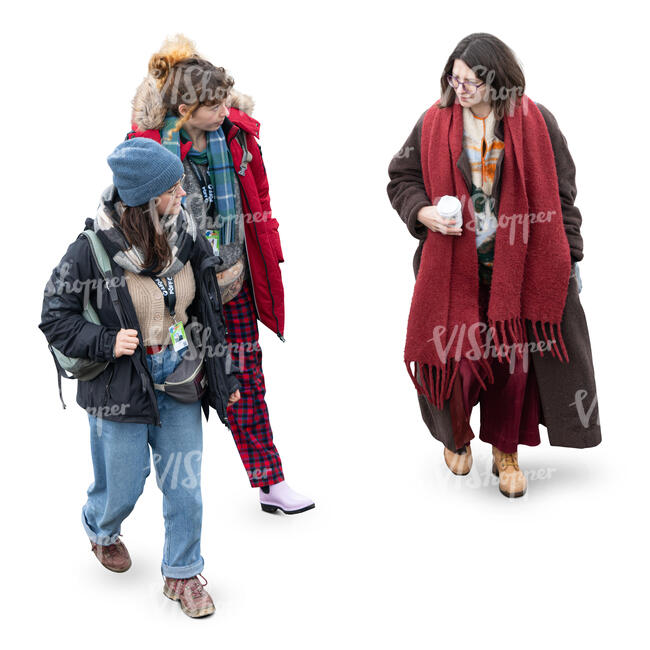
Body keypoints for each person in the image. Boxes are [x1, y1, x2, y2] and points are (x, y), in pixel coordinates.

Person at [387, 33, 601, 498]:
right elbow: (401, 178)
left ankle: (507, 452)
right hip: (452, 269)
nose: (458, 87)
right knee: (455, 360)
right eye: (454, 77)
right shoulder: (432, 122)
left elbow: (562, 196)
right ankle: (457, 435)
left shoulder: (538, 123)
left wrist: (573, 258)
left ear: (497, 81)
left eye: (470, 81)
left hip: (520, 270)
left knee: (513, 363)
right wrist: (423, 214)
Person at [40, 137, 240, 617]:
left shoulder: (185, 233)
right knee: (124, 486)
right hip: (119, 385)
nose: (181, 193)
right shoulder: (90, 249)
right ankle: (101, 528)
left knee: (184, 484)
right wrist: (106, 342)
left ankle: (183, 573)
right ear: (146, 200)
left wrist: (221, 369)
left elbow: (204, 304)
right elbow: (54, 315)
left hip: (178, 376)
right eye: (172, 188)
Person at [127, 34, 314, 514]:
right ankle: (130, 500)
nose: (224, 109)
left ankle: (270, 481)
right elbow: (129, 221)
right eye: (213, 104)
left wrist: (264, 247)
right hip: (178, 296)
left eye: (224, 100)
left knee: (246, 380)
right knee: (178, 388)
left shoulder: (236, 136)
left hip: (234, 285)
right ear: (186, 109)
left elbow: (261, 199)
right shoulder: (151, 152)